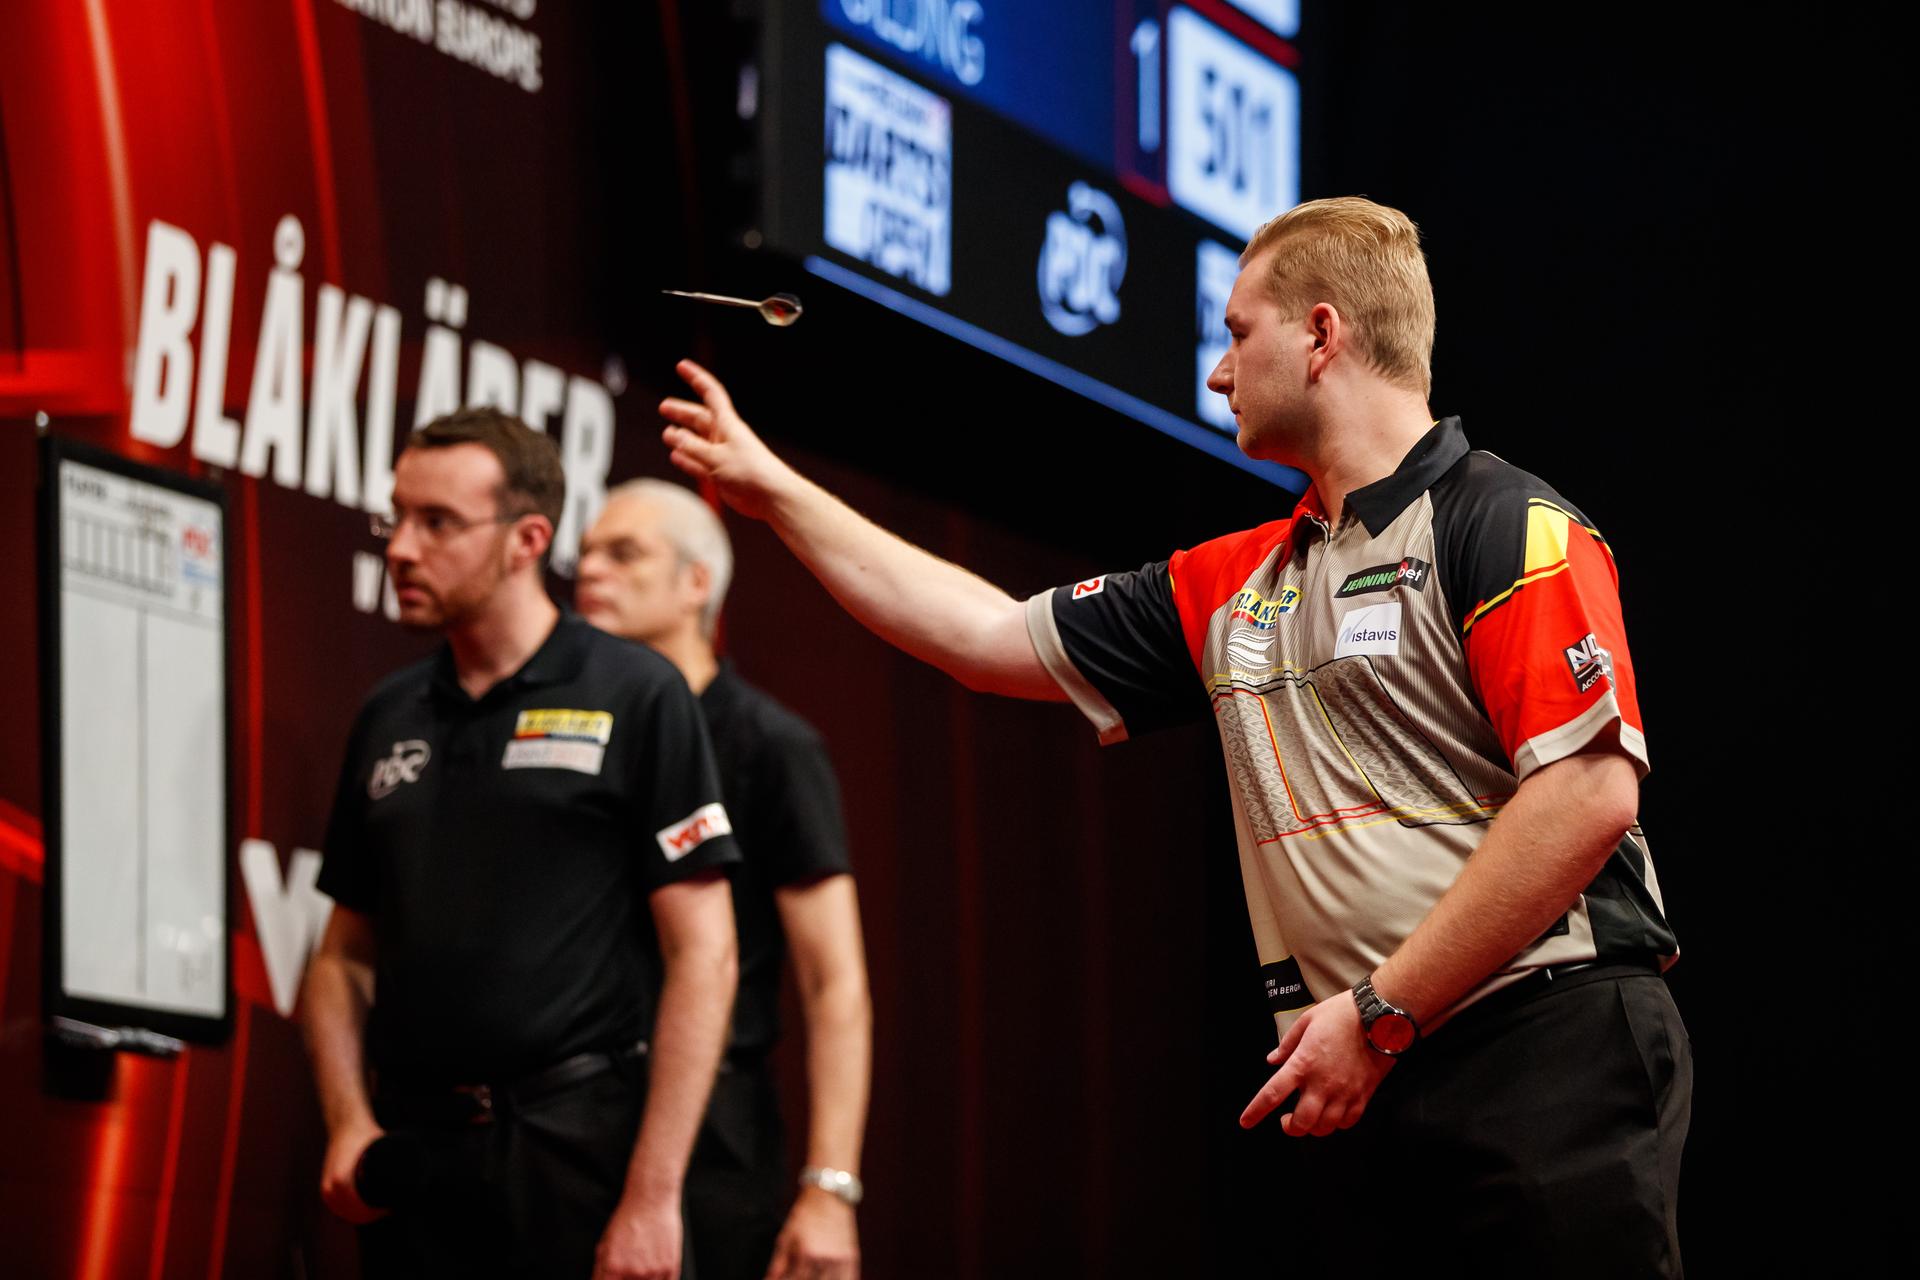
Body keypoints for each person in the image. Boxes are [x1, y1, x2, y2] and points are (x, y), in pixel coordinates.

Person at [651, 197, 1691, 1276]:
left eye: (1238, 333)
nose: (1218, 372)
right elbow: (984, 635)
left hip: (1542, 1043)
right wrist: (775, 492)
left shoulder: (1507, 522)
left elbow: (1588, 794)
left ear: (1322, 334)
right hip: (1370, 1069)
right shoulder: (1234, 582)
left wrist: (1385, 1007)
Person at [301, 408, 742, 1280]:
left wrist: (654, 1196)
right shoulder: (389, 713)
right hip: (415, 1166)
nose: (402, 549)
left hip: (578, 1154)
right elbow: (341, 959)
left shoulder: (636, 693)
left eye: (439, 523)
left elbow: (706, 954)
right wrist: (350, 1122)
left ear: (527, 540)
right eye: (398, 517)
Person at [575, 478, 871, 1280]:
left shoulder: (771, 745)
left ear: (696, 583)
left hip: (716, 1130)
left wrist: (830, 1189)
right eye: (587, 552)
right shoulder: (581, 737)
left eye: (623, 553)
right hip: (572, 1120)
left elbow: (833, 982)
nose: (588, 570)